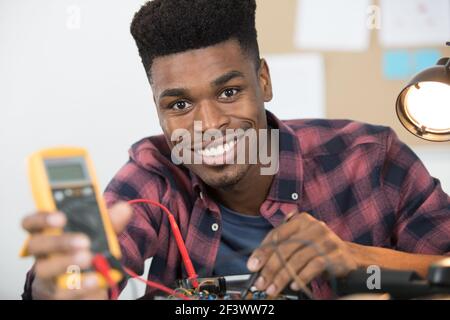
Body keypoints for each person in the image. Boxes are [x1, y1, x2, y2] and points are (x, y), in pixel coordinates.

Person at [21, 0, 450, 299]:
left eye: (228, 92)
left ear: (263, 80)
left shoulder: (370, 159)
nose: (208, 126)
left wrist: (355, 257)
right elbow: (82, 277)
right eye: (180, 104)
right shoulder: (151, 177)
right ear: (157, 107)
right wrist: (62, 285)